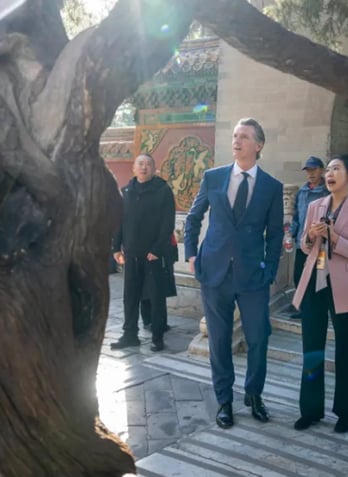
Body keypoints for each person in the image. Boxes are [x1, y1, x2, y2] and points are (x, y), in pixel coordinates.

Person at [184, 118, 284, 429]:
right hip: (214, 272)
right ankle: (224, 401)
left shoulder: (271, 187)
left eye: (244, 137)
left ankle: (254, 395)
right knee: (219, 340)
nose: (237, 141)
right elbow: (194, 217)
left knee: (258, 338)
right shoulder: (213, 178)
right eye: (235, 136)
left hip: (253, 276)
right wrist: (191, 254)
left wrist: (269, 270)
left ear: (259, 145)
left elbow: (276, 234)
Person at [291, 154, 348, 434]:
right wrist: (311, 237)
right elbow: (303, 245)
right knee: (311, 348)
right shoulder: (315, 205)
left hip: (345, 287)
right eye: (328, 169)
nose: (329, 173)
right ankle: (310, 409)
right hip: (316, 281)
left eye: (336, 168)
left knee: (347, 350)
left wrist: (334, 236)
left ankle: (346, 412)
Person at [110, 154, 177, 352]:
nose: (144, 167)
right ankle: (130, 334)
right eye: (140, 164)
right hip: (132, 254)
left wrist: (157, 249)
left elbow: (168, 223)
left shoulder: (163, 191)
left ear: (154, 168)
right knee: (130, 296)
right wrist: (116, 247)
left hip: (153, 256)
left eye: (148, 164)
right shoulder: (127, 192)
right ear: (134, 168)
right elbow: (119, 222)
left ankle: (157, 336)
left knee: (156, 298)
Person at [288, 156, 329, 319]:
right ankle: (304, 309)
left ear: (322, 170)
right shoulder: (302, 192)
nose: (311, 174)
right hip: (301, 243)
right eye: (308, 170)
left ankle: (320, 309)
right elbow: (297, 216)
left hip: (321, 246)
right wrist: (290, 233)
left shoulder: (327, 192)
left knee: (319, 277)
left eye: (314, 170)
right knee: (299, 275)